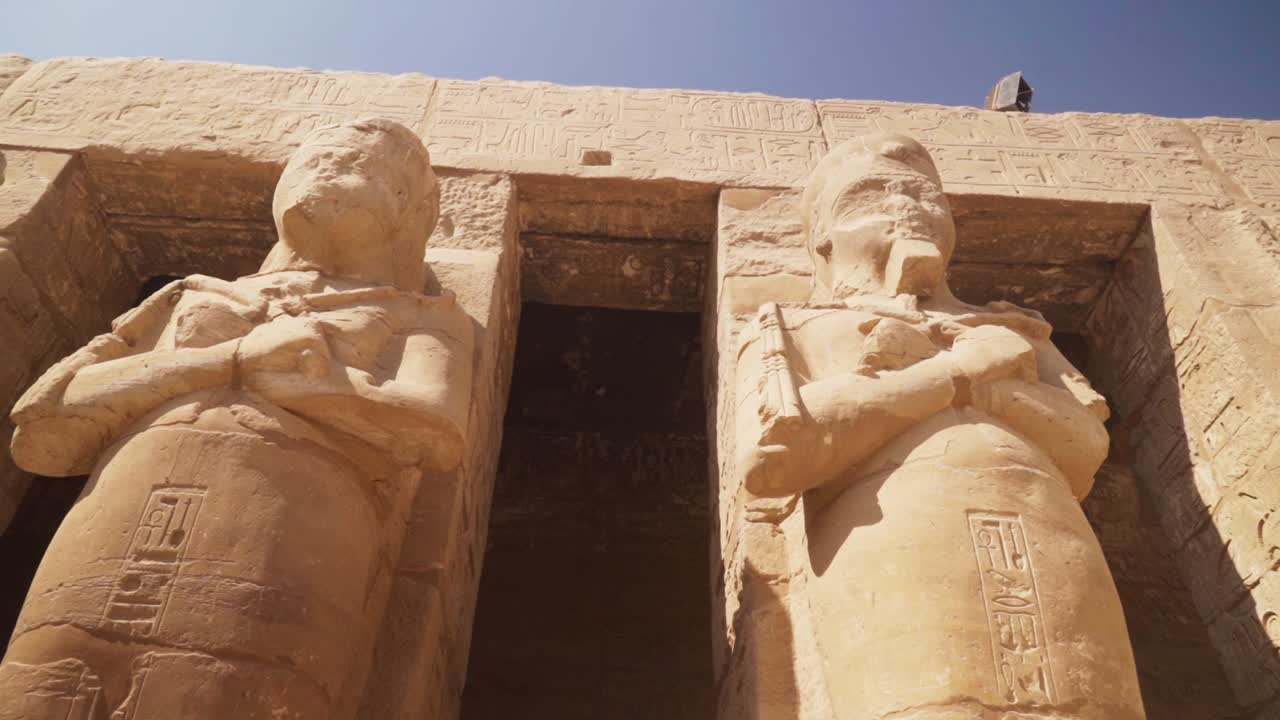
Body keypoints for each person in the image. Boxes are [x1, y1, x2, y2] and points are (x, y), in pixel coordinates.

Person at [0, 119, 473, 720]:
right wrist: (231, 360)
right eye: (313, 158)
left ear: (408, 207)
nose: (325, 170)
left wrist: (317, 386)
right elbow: (45, 421)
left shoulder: (419, 314)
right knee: (43, 687)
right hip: (121, 516)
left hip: (291, 532)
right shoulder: (192, 294)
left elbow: (434, 427)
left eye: (355, 163)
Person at [734, 134, 1145, 719]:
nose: (907, 207)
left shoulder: (1016, 330)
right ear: (823, 236)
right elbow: (771, 460)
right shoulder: (795, 324)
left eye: (926, 197)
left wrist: (994, 389)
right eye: (870, 196)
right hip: (897, 540)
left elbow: (1085, 449)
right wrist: (954, 373)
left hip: (1049, 534)